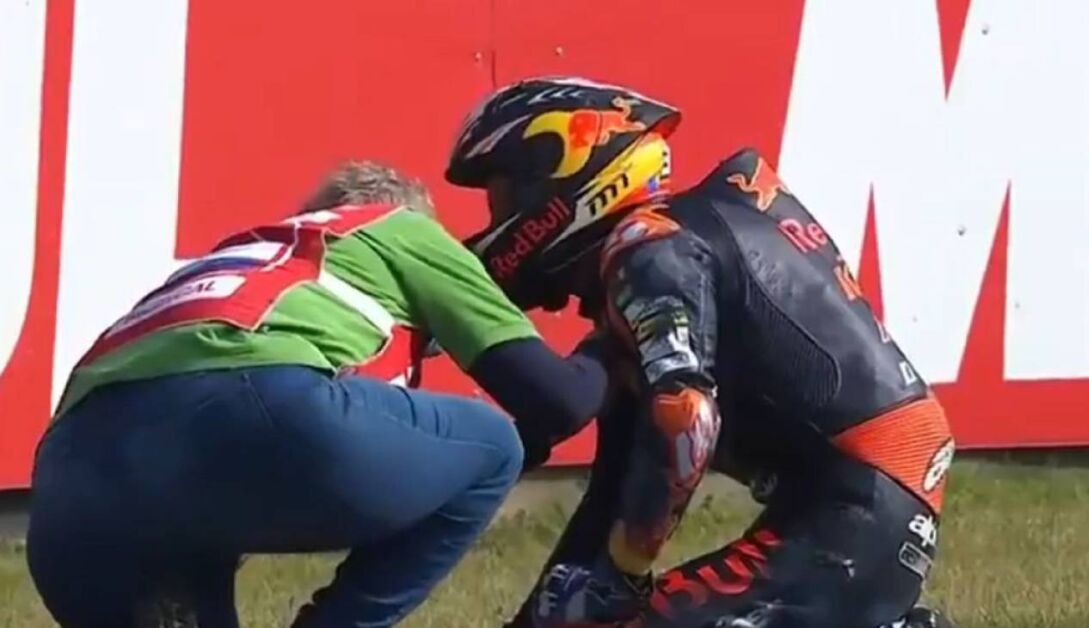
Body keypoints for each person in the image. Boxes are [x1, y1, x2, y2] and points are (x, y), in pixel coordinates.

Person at [445, 77, 956, 628]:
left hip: (860, 503)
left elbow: (686, 419)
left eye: (501, 199)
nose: (496, 222)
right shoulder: (674, 241)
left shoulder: (649, 249)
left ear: (558, 179)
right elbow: (615, 486)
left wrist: (621, 576)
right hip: (867, 491)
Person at [26, 161, 609, 628]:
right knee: (494, 447)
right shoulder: (399, 228)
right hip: (251, 407)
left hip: (68, 487)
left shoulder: (248, 255)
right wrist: (616, 341)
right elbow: (557, 402)